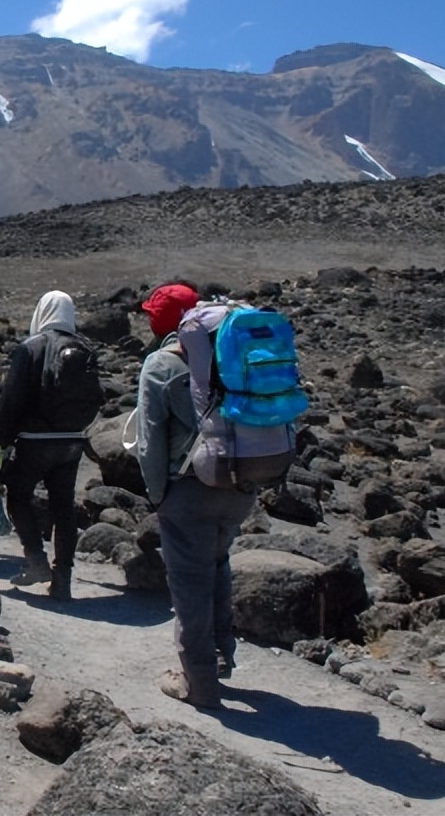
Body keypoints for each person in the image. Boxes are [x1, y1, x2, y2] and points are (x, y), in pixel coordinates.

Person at [136, 281, 251, 710]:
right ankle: (221, 655)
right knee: (217, 565)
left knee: (188, 584)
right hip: (242, 480)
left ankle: (198, 683)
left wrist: (158, 495)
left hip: (190, 489)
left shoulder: (162, 364)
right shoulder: (227, 356)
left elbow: (150, 441)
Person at [0, 290, 101, 599]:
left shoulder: (31, 347)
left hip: (34, 441)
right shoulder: (85, 349)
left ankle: (36, 560)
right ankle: (62, 579)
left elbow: (11, 401)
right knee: (63, 508)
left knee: (18, 496)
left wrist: (1, 442)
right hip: (71, 442)